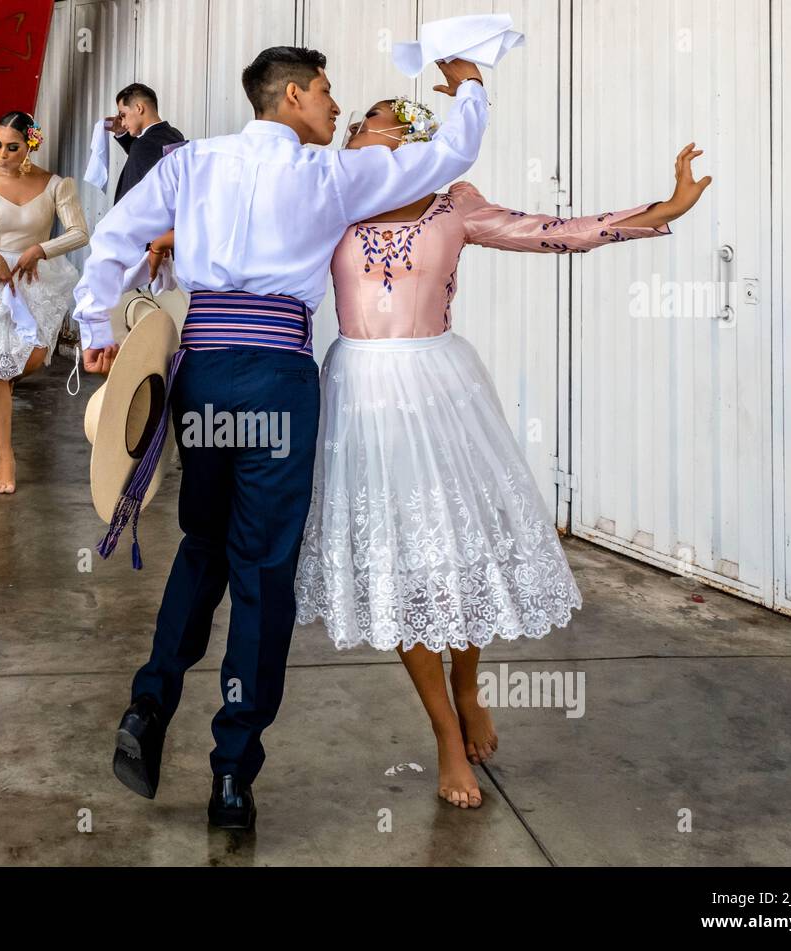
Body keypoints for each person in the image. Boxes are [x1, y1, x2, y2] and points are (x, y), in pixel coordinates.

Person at [72, 46, 490, 830]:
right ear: (293, 95)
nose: (336, 110)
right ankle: (232, 775)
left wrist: (98, 322)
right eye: (327, 93)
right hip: (276, 377)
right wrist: (468, 86)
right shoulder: (330, 175)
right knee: (262, 569)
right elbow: (452, 151)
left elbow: (116, 238)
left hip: (205, 373)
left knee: (202, 545)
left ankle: (148, 705)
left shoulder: (190, 163)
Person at [292, 97, 710, 809]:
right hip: (359, 394)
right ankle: (446, 734)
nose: (356, 131)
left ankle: (468, 687)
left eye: (372, 122)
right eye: (357, 122)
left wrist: (664, 207)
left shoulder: (455, 204)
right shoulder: (329, 199)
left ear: (412, 138)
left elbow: (552, 232)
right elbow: (248, 235)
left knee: (456, 554)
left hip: (440, 390)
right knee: (401, 566)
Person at [0, 110, 89, 494]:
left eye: (12, 147)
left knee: (33, 359)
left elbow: (79, 232)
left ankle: (3, 388)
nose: (1, 154)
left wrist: (41, 249)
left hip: (37, 279)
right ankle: (5, 456)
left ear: (30, 145)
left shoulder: (58, 185)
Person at [107, 83, 185, 204]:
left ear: (139, 108)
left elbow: (129, 202)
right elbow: (147, 152)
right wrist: (122, 133)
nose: (122, 123)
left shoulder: (144, 146)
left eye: (123, 115)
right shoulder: (174, 135)